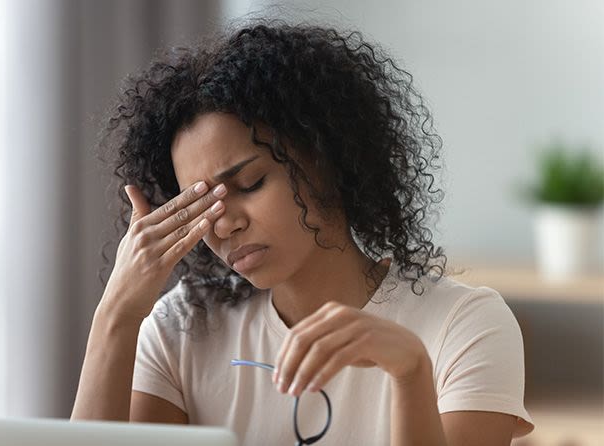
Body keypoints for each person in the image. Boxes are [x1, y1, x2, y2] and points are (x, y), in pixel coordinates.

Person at [71, 19, 534, 445]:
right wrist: (116, 314)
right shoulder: (183, 329)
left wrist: (411, 372)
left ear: (326, 158)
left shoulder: (464, 325)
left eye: (249, 184)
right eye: (201, 205)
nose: (226, 223)